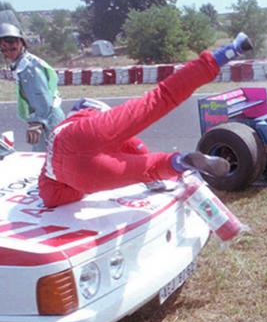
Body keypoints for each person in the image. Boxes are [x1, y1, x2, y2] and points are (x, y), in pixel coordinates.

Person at [37, 33, 252, 208]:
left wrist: (78, 189)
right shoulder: (83, 116)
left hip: (76, 175)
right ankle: (229, 51)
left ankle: (181, 161)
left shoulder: (48, 177)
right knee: (161, 97)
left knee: (150, 168)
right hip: (82, 132)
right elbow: (136, 146)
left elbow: (50, 197)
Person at [0, 23, 65, 152]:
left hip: (48, 118)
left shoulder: (30, 66)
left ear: (21, 43)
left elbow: (42, 96)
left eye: (12, 48)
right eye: (4, 49)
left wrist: (38, 122)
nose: (8, 52)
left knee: (47, 160)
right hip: (44, 118)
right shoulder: (21, 64)